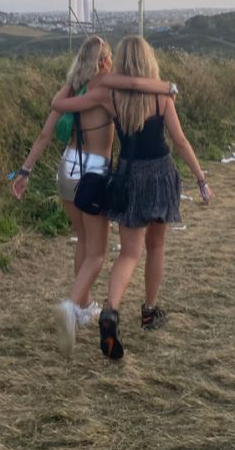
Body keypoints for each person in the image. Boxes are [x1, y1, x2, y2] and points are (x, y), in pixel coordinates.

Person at [11, 35, 173, 355]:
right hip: (93, 172)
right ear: (103, 62)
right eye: (109, 57)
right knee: (97, 253)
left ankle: (84, 306)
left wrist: (25, 171)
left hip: (66, 168)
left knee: (84, 242)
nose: (112, 63)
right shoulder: (105, 88)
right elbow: (137, 86)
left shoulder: (73, 87)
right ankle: (71, 307)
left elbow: (47, 130)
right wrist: (168, 88)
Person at [51, 36, 211, 361]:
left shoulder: (109, 95)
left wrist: (71, 83)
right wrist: (201, 178)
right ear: (149, 61)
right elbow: (179, 140)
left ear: (121, 62)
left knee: (128, 253)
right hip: (159, 174)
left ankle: (110, 312)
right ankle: (150, 311)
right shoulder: (162, 98)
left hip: (126, 177)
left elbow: (61, 106)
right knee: (156, 247)